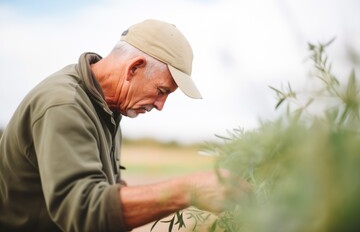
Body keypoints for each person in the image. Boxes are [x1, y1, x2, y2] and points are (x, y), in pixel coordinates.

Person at [0, 19, 250, 231]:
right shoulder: (65, 105)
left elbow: (107, 193)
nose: (160, 105)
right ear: (134, 68)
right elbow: (84, 211)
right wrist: (188, 190)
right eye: (161, 91)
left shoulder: (107, 108)